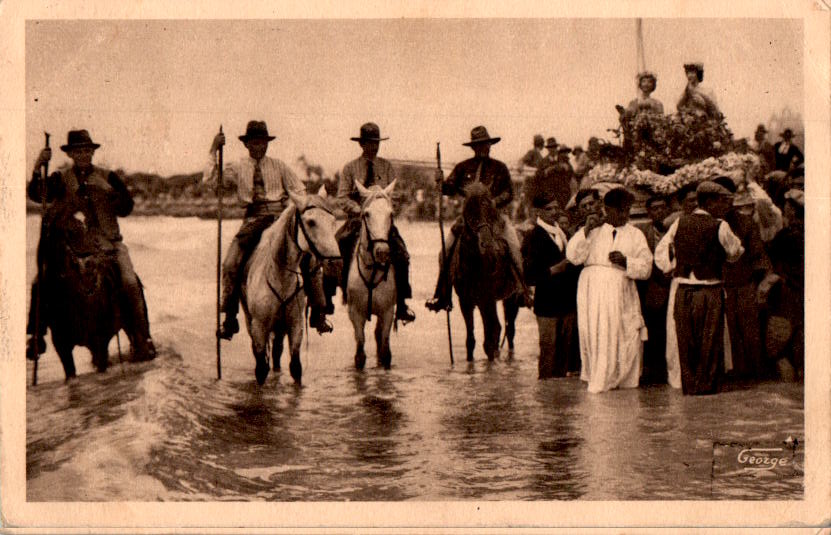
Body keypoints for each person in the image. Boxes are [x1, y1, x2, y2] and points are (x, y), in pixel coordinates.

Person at [26, 129, 156, 361]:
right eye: (78, 151)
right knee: (42, 279)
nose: (83, 155)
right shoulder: (61, 178)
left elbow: (127, 208)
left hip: (110, 245)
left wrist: (110, 192)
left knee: (129, 281)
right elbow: (37, 195)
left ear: (92, 153)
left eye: (87, 150)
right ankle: (36, 335)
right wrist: (37, 166)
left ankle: (144, 337)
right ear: (71, 154)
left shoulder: (108, 176)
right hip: (76, 248)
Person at [206, 120, 332, 338]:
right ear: (247, 145)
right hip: (252, 221)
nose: (260, 147)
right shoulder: (236, 168)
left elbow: (299, 192)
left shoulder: (279, 166)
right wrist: (213, 150)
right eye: (255, 142)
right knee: (230, 264)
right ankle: (230, 317)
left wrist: (300, 208)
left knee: (310, 259)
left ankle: (319, 312)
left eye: (263, 142)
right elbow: (211, 181)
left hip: (279, 219)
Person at [654, 180, 745, 395]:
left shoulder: (679, 223)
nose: (723, 206)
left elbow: (662, 251)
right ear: (710, 202)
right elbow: (736, 252)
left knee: (686, 345)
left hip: (683, 290)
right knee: (710, 344)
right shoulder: (720, 225)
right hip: (708, 290)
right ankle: (707, 394)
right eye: (720, 202)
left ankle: (691, 391)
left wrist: (673, 267)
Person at [425, 125, 528, 312]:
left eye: (485, 144)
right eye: (478, 145)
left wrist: (493, 203)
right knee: (445, 252)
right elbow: (448, 188)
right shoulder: (462, 167)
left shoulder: (500, 168)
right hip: (468, 218)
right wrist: (440, 181)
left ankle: (523, 290)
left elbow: (509, 193)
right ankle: (442, 294)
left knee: (514, 246)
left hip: (496, 218)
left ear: (490, 145)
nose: (482, 148)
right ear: (473, 147)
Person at [565, 187, 653, 393]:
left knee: (626, 333)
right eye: (620, 211)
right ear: (607, 209)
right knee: (596, 332)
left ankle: (624, 381)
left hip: (621, 290)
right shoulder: (592, 231)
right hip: (593, 291)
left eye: (627, 210)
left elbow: (647, 267)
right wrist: (585, 231)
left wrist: (627, 261)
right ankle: (599, 378)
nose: (624, 215)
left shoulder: (635, 234)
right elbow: (573, 256)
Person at [334, 122, 416, 324]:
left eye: (376, 143)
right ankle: (332, 297)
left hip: (381, 221)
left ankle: (403, 303)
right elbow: (342, 198)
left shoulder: (386, 167)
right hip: (358, 220)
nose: (373, 147)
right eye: (369, 143)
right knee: (334, 249)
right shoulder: (350, 168)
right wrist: (360, 210)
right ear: (361, 144)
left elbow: (393, 195)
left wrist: (385, 209)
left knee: (402, 255)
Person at [722, 186, 776, 379]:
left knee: (748, 330)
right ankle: (738, 372)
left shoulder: (744, 223)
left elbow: (757, 252)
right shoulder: (714, 222)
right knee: (731, 331)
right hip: (724, 283)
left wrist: (760, 281)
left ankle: (754, 372)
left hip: (743, 282)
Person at [522, 198, 580, 379]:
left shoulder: (563, 233)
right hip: (547, 303)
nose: (555, 211)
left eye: (556, 207)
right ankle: (546, 395)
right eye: (550, 209)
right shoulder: (533, 236)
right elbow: (529, 275)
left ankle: (560, 396)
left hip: (567, 301)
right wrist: (553, 270)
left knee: (564, 350)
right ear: (539, 212)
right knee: (548, 349)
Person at [765, 189, 804, 380]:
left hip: (787, 296)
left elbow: (769, 251)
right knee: (801, 349)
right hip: (806, 295)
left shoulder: (787, 235)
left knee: (778, 350)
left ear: (792, 210)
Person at [636, 194, 673, 384]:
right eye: (655, 208)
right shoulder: (642, 232)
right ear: (648, 212)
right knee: (652, 333)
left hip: (674, 286)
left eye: (663, 207)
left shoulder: (676, 228)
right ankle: (653, 372)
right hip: (651, 290)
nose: (659, 211)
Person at [525, 139, 572, 216]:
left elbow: (570, 172)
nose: (552, 149)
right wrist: (547, 171)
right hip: (550, 193)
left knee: (563, 213)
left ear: (556, 148)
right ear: (548, 149)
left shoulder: (563, 159)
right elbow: (538, 176)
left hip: (563, 192)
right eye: (550, 147)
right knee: (552, 213)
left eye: (554, 147)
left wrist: (565, 168)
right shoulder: (543, 162)